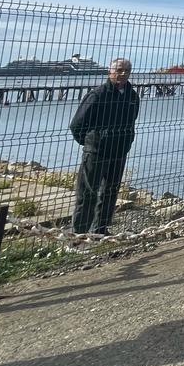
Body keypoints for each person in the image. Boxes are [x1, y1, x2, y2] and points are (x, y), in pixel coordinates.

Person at [69, 57, 139, 234]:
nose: (123, 74)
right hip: (96, 152)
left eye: (126, 71)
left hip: (119, 152)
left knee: (110, 192)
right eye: (119, 70)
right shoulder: (98, 95)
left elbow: (132, 121)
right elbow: (77, 124)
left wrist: (127, 141)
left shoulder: (132, 96)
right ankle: (79, 232)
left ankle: (101, 228)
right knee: (87, 193)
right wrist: (91, 142)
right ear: (110, 71)